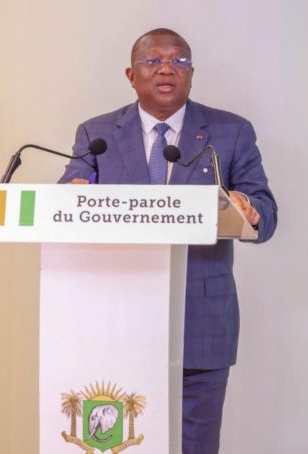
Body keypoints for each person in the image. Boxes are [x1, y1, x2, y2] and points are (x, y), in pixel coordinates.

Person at [58, 28, 277, 454]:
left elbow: (266, 215)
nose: (166, 69)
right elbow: (69, 197)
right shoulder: (97, 133)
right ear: (131, 75)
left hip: (201, 322)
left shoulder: (230, 132)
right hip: (117, 320)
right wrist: (73, 194)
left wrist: (249, 208)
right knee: (119, 443)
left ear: (191, 73)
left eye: (178, 61)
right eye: (153, 60)